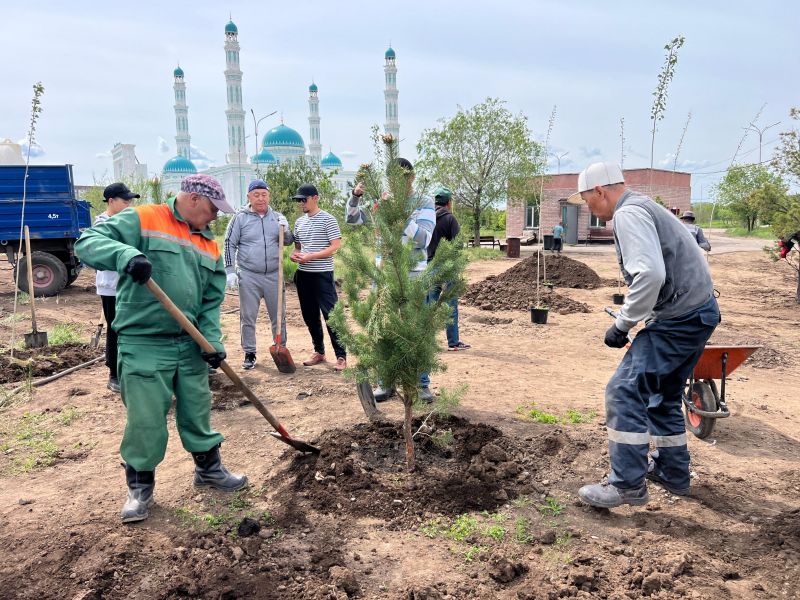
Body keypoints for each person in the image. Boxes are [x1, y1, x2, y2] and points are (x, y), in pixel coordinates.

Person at [75, 174, 248, 523]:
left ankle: (208, 469)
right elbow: (87, 243)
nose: (215, 217)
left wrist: (212, 342)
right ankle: (140, 487)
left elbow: (210, 302)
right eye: (213, 209)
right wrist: (125, 255)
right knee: (146, 417)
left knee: (197, 410)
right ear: (195, 199)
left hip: (190, 344)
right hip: (145, 340)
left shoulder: (209, 245)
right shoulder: (145, 218)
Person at [567, 162, 720, 509]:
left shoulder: (628, 214)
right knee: (662, 396)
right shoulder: (645, 206)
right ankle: (672, 472)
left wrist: (622, 325)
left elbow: (650, 274)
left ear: (600, 191)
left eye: (588, 202)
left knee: (623, 391)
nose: (589, 209)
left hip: (680, 319)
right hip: (697, 313)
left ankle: (627, 485)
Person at [347, 158, 436, 402]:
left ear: (412, 178)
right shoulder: (380, 202)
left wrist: (399, 217)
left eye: (402, 178)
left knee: (417, 328)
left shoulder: (424, 202)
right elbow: (353, 219)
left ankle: (421, 384)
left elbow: (423, 239)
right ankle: (385, 382)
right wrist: (355, 196)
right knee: (383, 329)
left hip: (414, 274)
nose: (397, 183)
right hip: (383, 274)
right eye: (392, 179)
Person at [223, 179, 293, 370]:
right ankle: (250, 352)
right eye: (256, 195)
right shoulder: (239, 218)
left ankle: (280, 347)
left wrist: (286, 230)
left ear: (269, 196)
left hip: (274, 275)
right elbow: (229, 244)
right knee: (248, 316)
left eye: (264, 194)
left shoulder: (277, 218)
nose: (261, 198)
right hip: (249, 275)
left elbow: (287, 241)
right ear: (249, 197)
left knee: (278, 316)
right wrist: (230, 271)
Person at [290, 183, 347, 371]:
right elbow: (298, 248)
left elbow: (335, 246)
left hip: (322, 275)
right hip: (303, 275)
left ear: (315, 198)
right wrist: (294, 255)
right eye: (298, 200)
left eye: (303, 199)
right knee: (310, 316)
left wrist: (311, 256)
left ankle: (341, 356)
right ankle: (319, 352)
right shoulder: (299, 222)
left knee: (331, 316)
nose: (301, 203)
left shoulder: (328, 219)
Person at [95, 182, 141, 392]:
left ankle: (132, 370)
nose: (129, 204)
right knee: (115, 329)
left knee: (134, 328)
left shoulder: (129, 222)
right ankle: (114, 374)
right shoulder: (102, 225)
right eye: (125, 200)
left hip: (131, 286)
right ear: (111, 201)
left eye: (130, 200)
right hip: (112, 288)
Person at [426, 186, 469, 352]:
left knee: (429, 305)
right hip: (448, 267)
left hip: (430, 266)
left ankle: (426, 341)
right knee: (450, 305)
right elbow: (458, 245)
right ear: (449, 202)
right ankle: (453, 342)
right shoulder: (450, 219)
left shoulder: (428, 219)